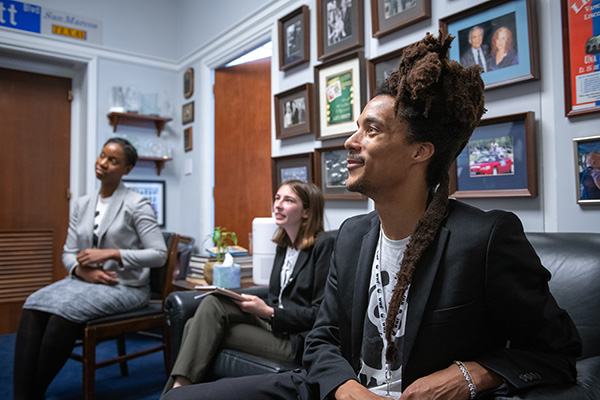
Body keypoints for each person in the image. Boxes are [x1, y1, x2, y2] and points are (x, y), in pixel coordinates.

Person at [163, 33, 581, 400]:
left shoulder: (486, 237)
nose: (350, 141)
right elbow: (322, 338)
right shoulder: (350, 235)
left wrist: (471, 374)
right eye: (356, 127)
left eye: (371, 129)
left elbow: (557, 350)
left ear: (420, 151)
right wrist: (343, 387)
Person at [13, 137, 168, 399]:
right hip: (84, 281)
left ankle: (33, 393)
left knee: (64, 314)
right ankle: (23, 395)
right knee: (33, 304)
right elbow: (69, 252)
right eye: (102, 156)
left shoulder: (136, 203)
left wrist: (112, 253)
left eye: (113, 160)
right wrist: (80, 271)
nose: (103, 163)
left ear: (126, 169)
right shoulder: (82, 204)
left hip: (125, 286)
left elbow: (159, 254)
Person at [161, 180, 335, 396]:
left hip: (296, 340)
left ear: (307, 211)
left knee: (193, 327)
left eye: (288, 200)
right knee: (213, 303)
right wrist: (255, 307)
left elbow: (320, 314)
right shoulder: (284, 245)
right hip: (273, 326)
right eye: (277, 198)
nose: (278, 205)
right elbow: (277, 297)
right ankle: (183, 393)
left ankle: (177, 392)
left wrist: (269, 312)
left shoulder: (324, 245)